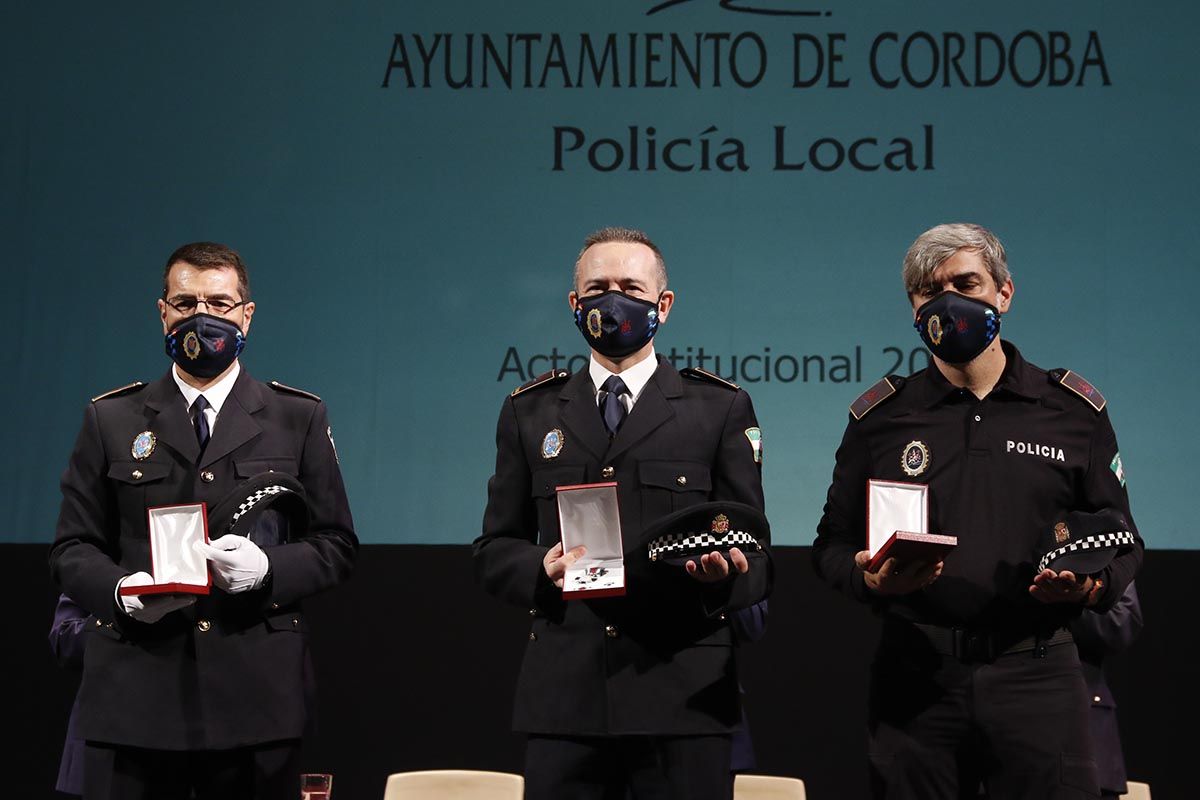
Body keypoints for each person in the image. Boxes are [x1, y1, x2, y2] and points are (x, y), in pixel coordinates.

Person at [811, 223, 1143, 800]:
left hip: (1040, 673)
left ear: (1004, 294)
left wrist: (1091, 590)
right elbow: (830, 545)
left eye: (966, 283)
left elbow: (1124, 539)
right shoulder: (880, 419)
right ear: (913, 307)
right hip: (917, 678)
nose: (948, 303)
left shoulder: (1071, 411)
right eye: (929, 291)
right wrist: (868, 577)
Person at [48, 242, 357, 800]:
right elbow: (72, 547)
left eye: (218, 302)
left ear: (247, 313)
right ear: (162, 311)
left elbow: (336, 544)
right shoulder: (111, 418)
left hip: (256, 698)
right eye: (186, 303)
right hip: (136, 692)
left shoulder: (298, 416)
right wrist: (119, 589)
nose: (202, 318)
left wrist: (267, 570)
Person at [474, 226, 772, 800]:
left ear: (663, 305)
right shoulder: (529, 412)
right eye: (597, 287)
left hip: (682, 698)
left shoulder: (719, 408)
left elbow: (756, 558)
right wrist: (542, 568)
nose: (612, 302)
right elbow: (493, 550)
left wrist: (721, 577)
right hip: (567, 701)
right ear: (573, 303)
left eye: (630, 287)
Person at [1070, 582, 1143, 798]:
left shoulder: (1104, 551)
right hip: (1003, 727)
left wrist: (1065, 601)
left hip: (1086, 735)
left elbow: (1122, 622)